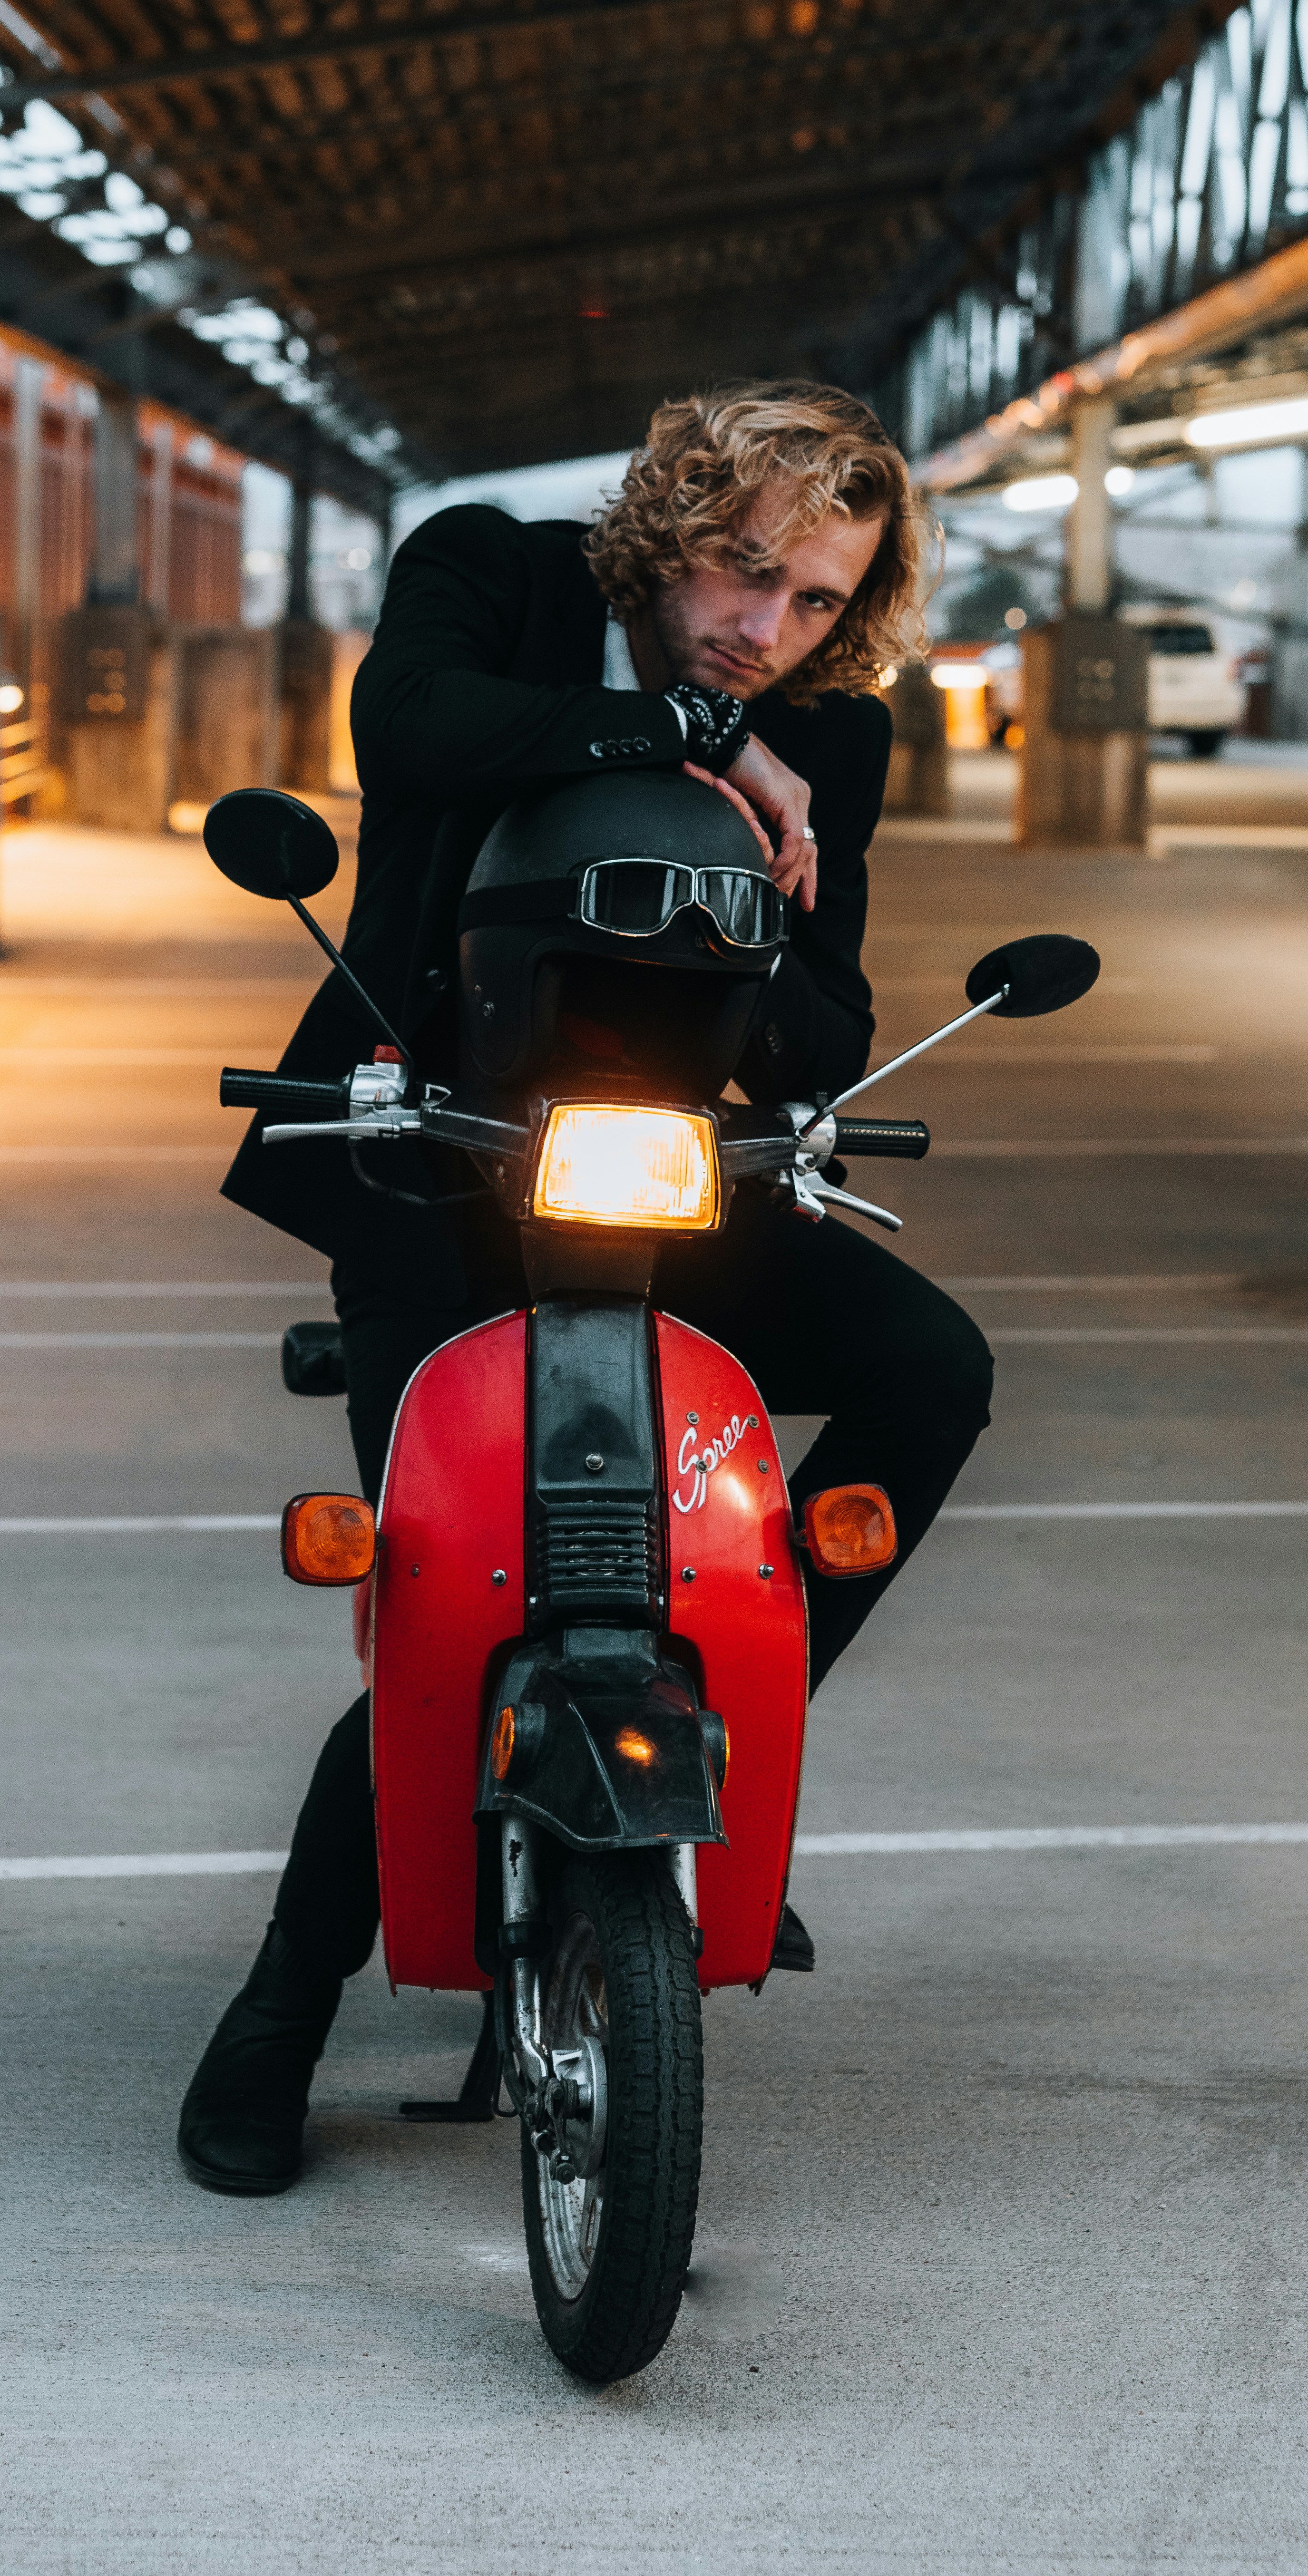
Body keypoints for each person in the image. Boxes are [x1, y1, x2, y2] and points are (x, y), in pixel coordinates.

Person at [180, 382, 994, 2193]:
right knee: (466, 1586)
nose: (764, 632)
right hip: (429, 1154)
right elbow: (420, 732)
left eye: (812, 609)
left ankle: (711, 1737)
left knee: (932, 1370)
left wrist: (776, 970)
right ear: (666, 524)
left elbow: (831, 1017)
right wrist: (697, 732)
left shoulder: (829, 743)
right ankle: (282, 2002)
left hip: (663, 1176)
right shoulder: (494, 575)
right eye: (742, 573)